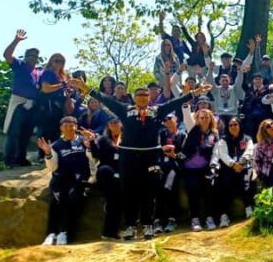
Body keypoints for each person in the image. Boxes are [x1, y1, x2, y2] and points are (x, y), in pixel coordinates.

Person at [69, 77, 211, 241]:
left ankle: (148, 224)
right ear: (134, 97)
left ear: (149, 97)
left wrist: (195, 93)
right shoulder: (125, 109)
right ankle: (130, 226)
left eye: (145, 95)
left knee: (149, 192)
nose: (142, 98)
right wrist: (83, 86)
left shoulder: (157, 110)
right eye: (139, 95)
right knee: (130, 192)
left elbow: (174, 102)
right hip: (128, 157)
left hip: (150, 156)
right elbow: (104, 98)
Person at [38, 117, 94, 246]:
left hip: (79, 179)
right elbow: (53, 167)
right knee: (55, 200)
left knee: (73, 198)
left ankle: (64, 232)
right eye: (66, 126)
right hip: (61, 179)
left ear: (76, 127)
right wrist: (48, 153)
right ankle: (51, 233)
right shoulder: (56, 145)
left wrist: (90, 147)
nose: (69, 129)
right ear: (61, 128)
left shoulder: (83, 141)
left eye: (71, 126)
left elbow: (92, 160)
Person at [2, 29, 41, 168]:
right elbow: (7, 55)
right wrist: (16, 40)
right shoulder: (19, 65)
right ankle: (9, 160)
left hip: (32, 106)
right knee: (14, 132)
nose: (33, 58)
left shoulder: (39, 72)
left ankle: (21, 158)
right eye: (30, 55)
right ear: (25, 56)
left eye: (35, 56)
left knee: (26, 134)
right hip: (19, 103)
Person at [179, 108, 220, 231]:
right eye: (201, 117)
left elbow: (215, 152)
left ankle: (209, 218)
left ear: (211, 118)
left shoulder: (214, 134)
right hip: (190, 168)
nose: (204, 119)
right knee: (193, 191)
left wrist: (213, 166)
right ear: (197, 119)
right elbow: (186, 116)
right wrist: (186, 102)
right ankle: (194, 219)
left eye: (207, 117)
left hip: (206, 168)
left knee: (209, 191)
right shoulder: (193, 129)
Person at [211, 117, 256, 224]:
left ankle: (248, 209)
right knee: (226, 186)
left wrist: (241, 162)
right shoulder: (223, 140)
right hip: (229, 167)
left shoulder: (247, 138)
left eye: (235, 124)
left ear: (240, 125)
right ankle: (224, 215)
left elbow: (249, 150)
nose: (233, 127)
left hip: (244, 166)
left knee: (246, 184)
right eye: (231, 125)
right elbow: (223, 154)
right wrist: (233, 164)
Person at [90, 117, 123, 239]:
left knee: (116, 203)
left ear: (121, 124)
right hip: (107, 175)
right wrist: (92, 142)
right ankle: (109, 232)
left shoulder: (127, 138)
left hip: (122, 173)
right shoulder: (103, 140)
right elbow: (96, 154)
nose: (114, 125)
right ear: (108, 126)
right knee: (113, 202)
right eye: (111, 123)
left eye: (116, 123)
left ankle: (111, 232)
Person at [154, 114, 186, 234]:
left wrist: (175, 155)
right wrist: (163, 150)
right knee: (158, 188)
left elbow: (185, 153)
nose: (167, 121)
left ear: (176, 120)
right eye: (165, 119)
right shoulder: (161, 134)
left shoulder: (182, 135)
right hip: (161, 165)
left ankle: (171, 219)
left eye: (170, 118)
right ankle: (157, 220)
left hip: (174, 165)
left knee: (169, 187)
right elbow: (156, 149)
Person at [38, 53, 71, 149]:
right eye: (56, 61)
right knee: (46, 131)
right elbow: (45, 88)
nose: (59, 64)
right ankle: (43, 154)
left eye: (61, 61)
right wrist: (62, 84)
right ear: (51, 62)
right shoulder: (48, 73)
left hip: (58, 108)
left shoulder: (61, 76)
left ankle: (54, 153)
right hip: (47, 106)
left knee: (56, 131)